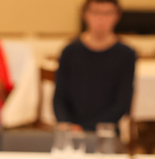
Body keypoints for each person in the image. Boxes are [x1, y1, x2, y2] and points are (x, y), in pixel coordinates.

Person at [52, 0, 136, 132]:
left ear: (117, 16)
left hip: (105, 130)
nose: (101, 18)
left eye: (107, 13)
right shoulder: (69, 51)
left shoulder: (126, 54)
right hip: (70, 129)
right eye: (96, 12)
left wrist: (87, 128)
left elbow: (122, 103)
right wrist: (66, 123)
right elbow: (59, 96)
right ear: (85, 14)